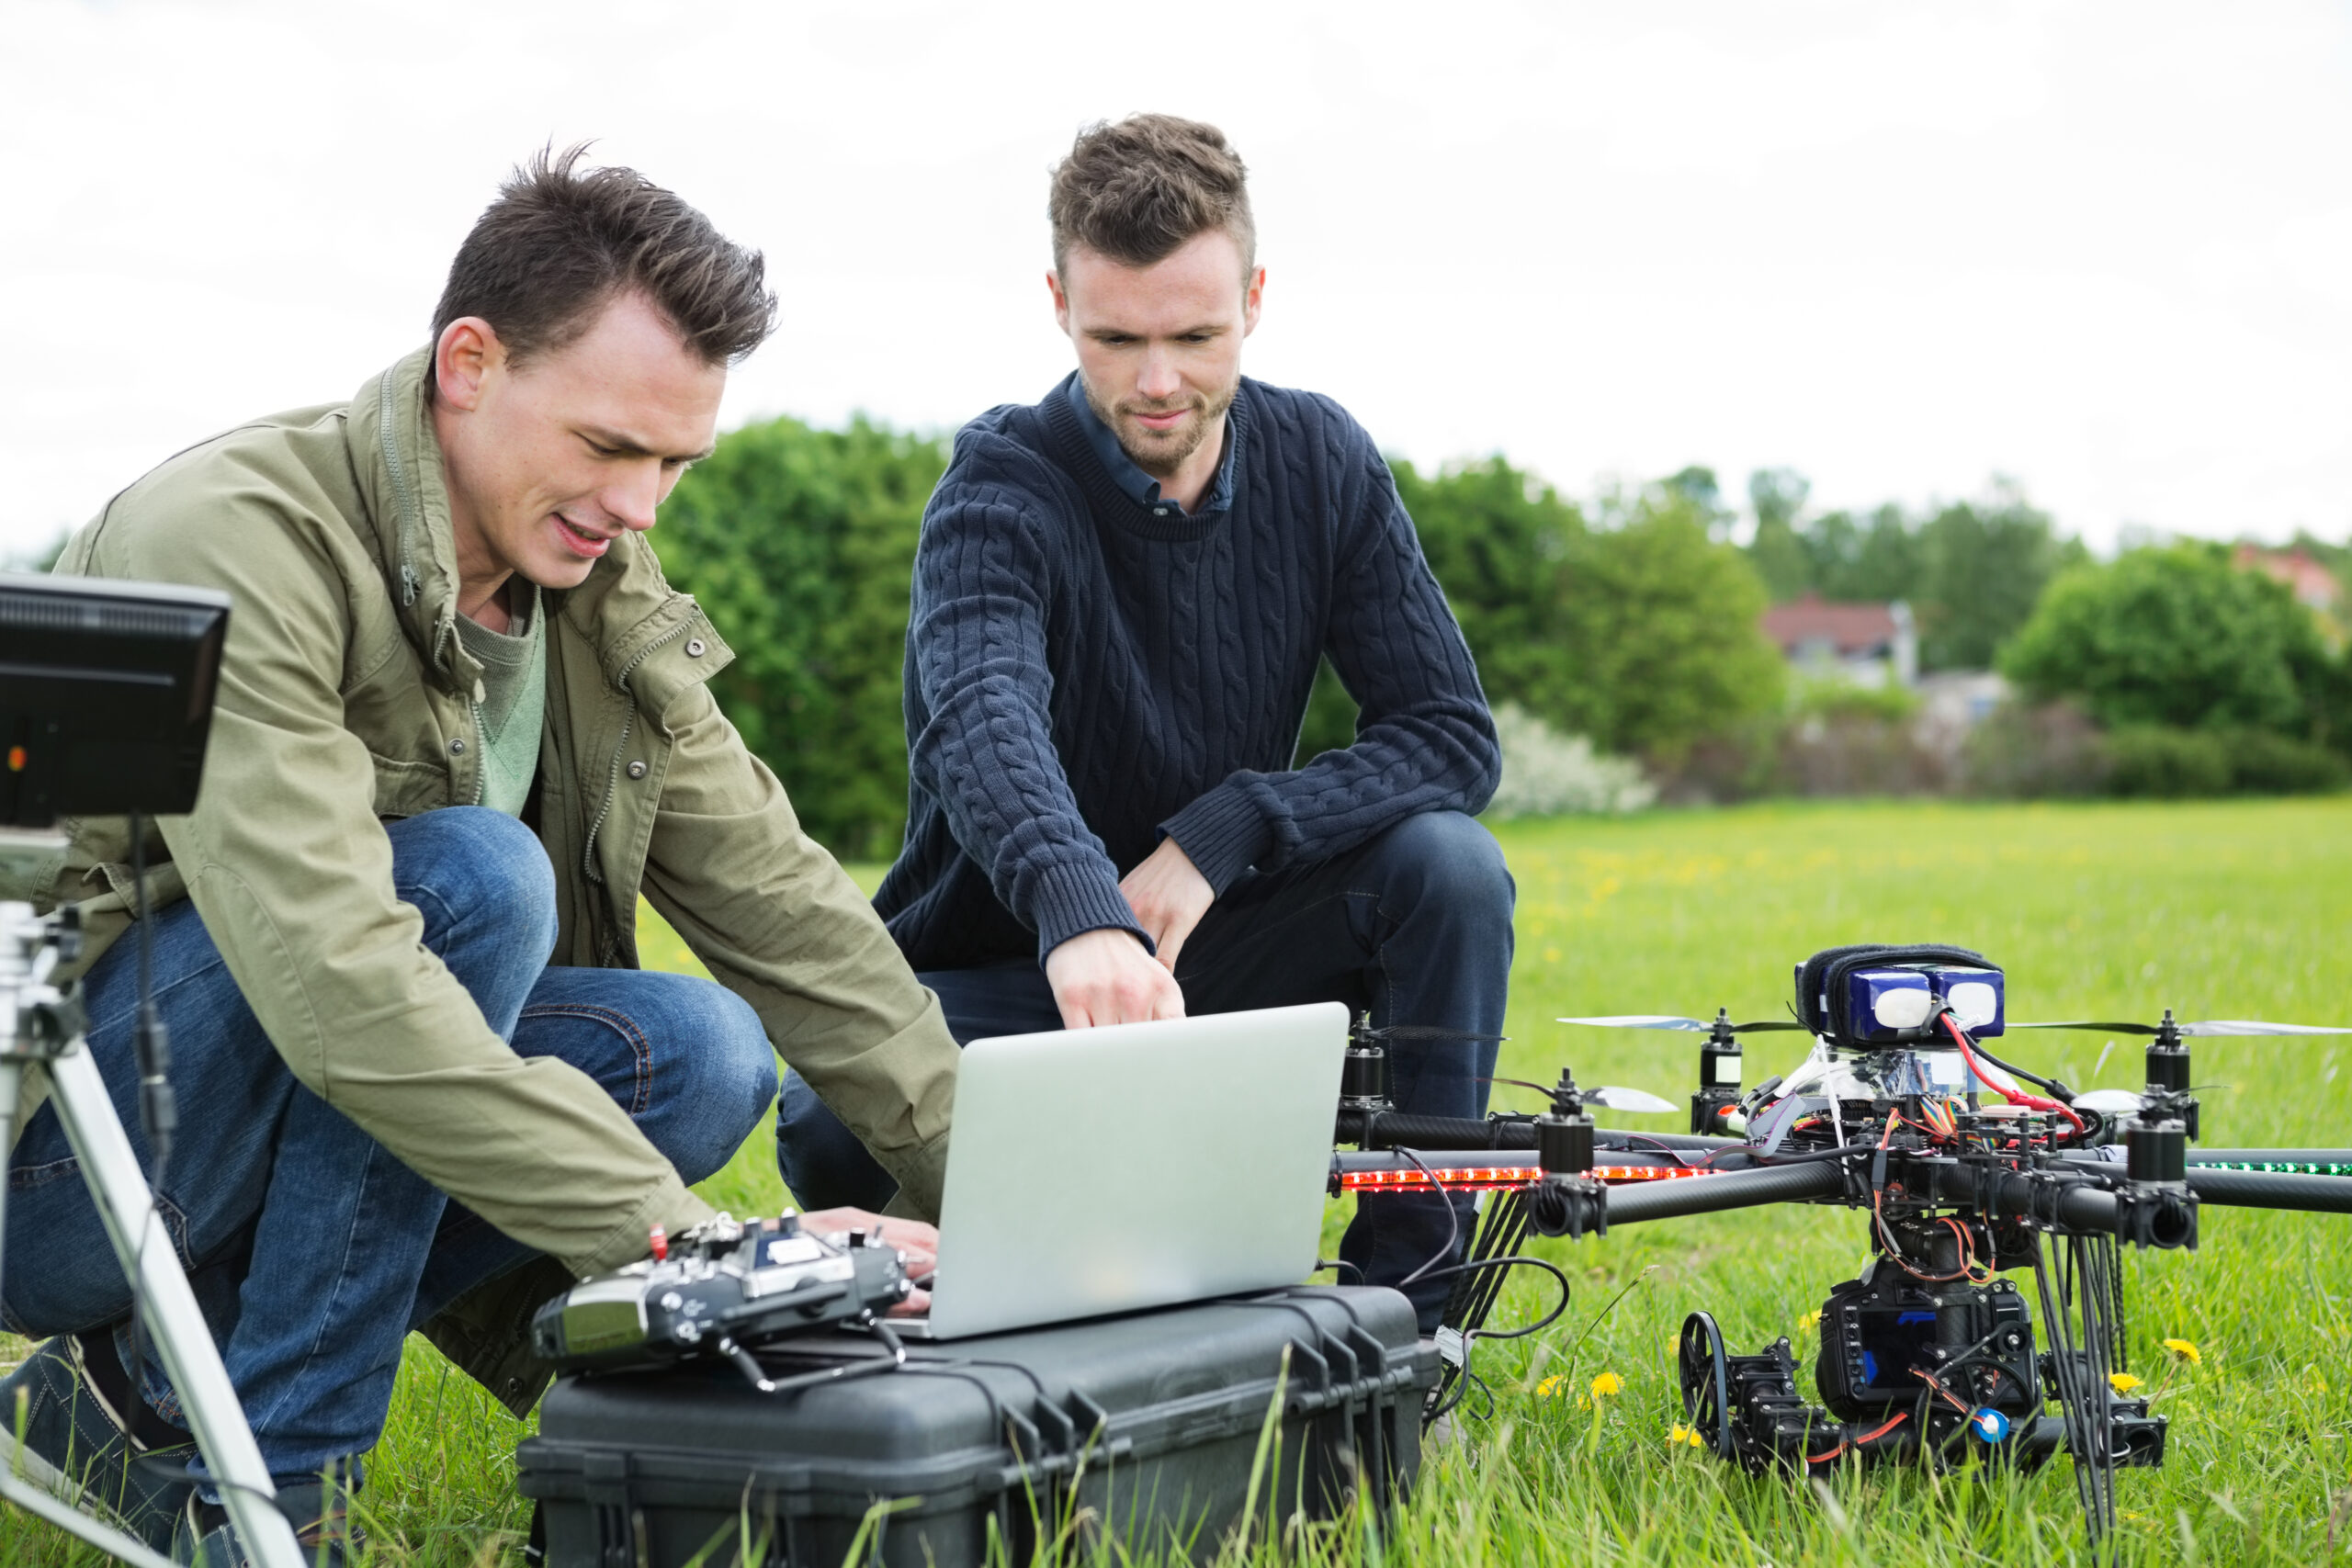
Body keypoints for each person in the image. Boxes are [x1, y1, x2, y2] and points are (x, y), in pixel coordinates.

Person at [0, 148, 953, 1565]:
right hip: (56, 1154)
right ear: (469, 363)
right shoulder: (238, 539)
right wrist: (690, 1244)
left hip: (255, 1116)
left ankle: (143, 1398)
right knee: (472, 883)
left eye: (676, 465)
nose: (641, 505)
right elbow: (348, 989)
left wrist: (1006, 1193)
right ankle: (271, 1508)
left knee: (700, 1048)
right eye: (610, 447)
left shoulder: (590, 587)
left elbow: (782, 900)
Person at [775, 115, 1512, 1332]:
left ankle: (1409, 1322)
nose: (1157, 380)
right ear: (1059, 301)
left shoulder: (1322, 456)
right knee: (824, 1121)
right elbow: (981, 719)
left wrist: (1231, 827)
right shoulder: (1000, 480)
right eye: (1117, 337)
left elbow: (1448, 734)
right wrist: (1081, 908)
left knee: (1449, 869)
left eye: (1194, 335)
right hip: (1013, 967)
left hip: (1218, 956)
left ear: (1256, 299)